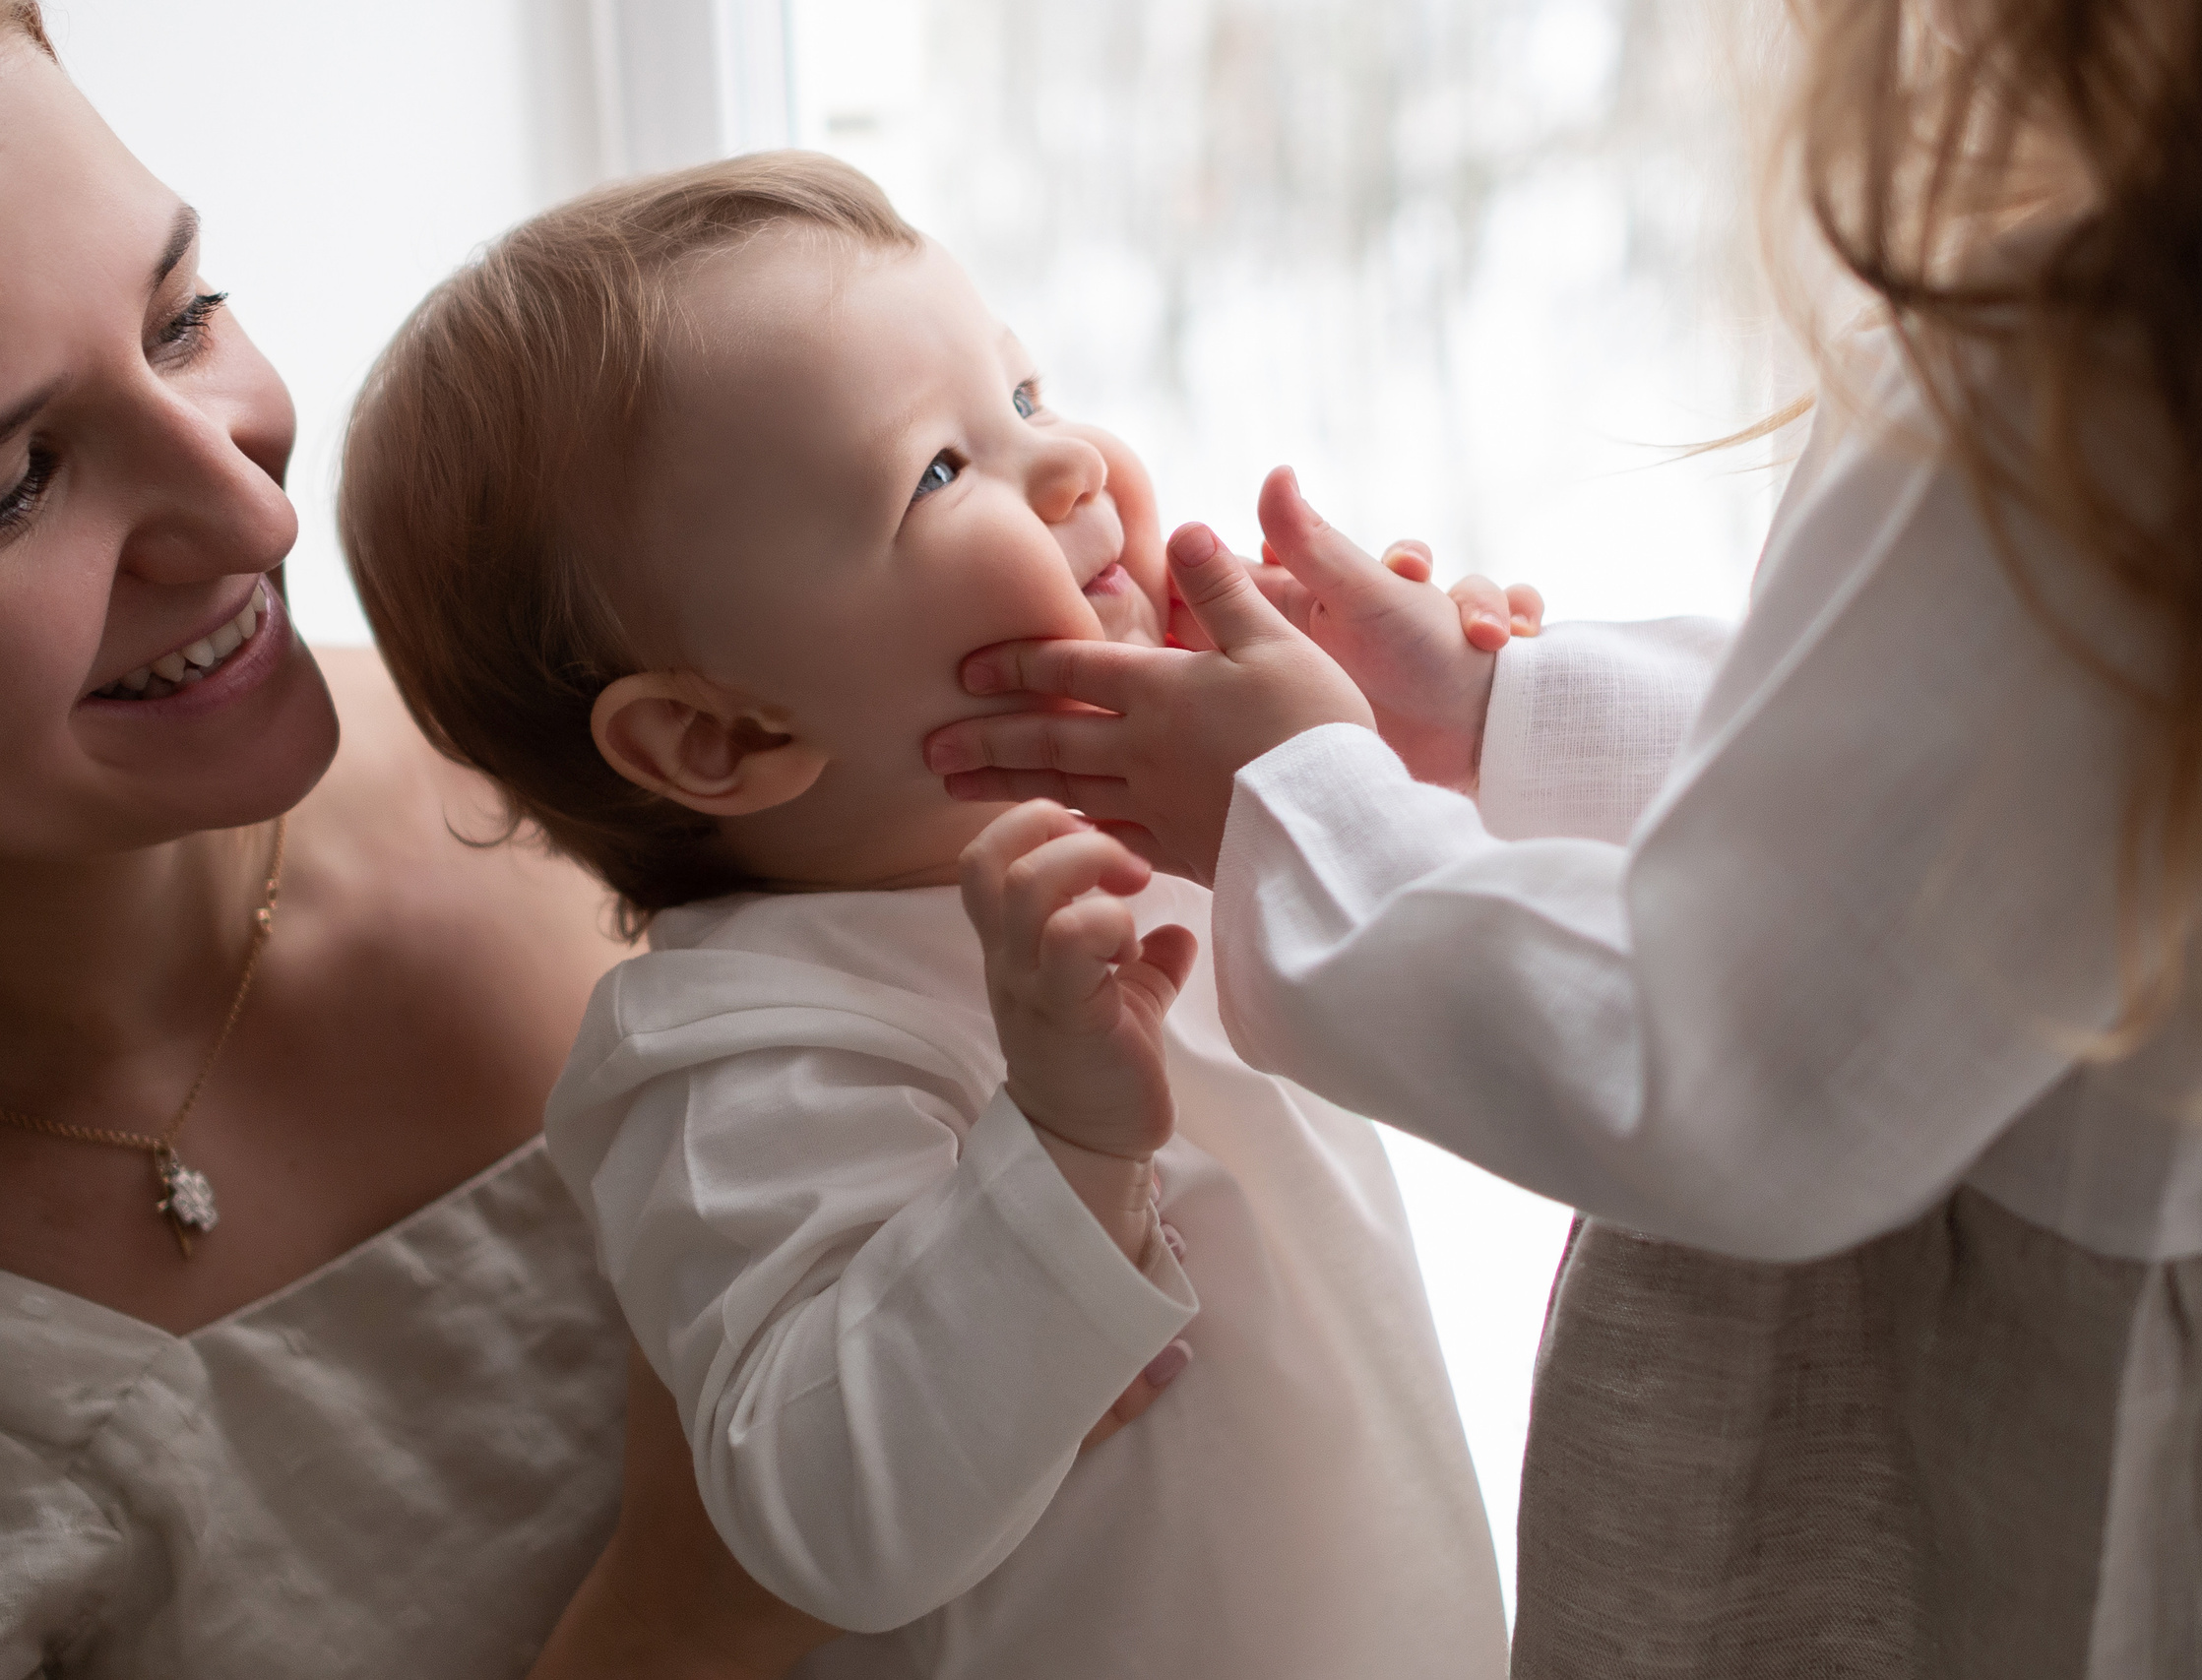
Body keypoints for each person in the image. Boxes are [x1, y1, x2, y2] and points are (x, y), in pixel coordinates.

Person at [920, 1, 2202, 1675]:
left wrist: (1304, 807)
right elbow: (2016, 789)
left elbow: (1721, 1063)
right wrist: (1498, 717)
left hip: (2082, 1482)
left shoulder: (2102, 383)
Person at [336, 152, 1536, 1678]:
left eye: (1027, 397)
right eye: (942, 472)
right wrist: (1062, 1150)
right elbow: (831, 1527)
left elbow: (1509, 991)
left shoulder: (1163, 809)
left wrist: (1426, 747)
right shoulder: (736, 1053)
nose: (1073, 467)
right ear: (725, 738)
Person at [0, 10, 925, 1675]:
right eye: (16, 480)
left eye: (183, 317)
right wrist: (702, 1606)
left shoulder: (633, 756)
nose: (257, 513)